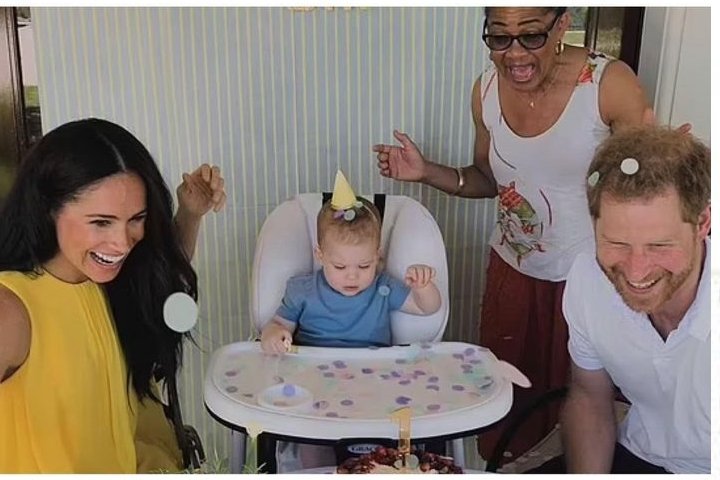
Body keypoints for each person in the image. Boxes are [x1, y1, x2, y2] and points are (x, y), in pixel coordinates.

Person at [372, 6, 651, 460]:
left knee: (586, 412)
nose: (514, 53)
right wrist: (425, 172)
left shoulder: (608, 87)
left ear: (562, 25)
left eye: (531, 35)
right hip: (514, 274)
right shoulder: (485, 90)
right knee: (510, 411)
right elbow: (488, 179)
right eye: (499, 37)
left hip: (591, 280)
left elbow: (645, 190)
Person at [0, 118, 226, 473]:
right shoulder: (13, 309)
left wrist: (190, 214)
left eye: (136, 218)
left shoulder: (102, 280)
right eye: (101, 222)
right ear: (48, 209)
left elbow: (159, 276)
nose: (122, 242)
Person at [539, 125, 710, 474]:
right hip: (641, 455)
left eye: (659, 246)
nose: (636, 271)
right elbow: (589, 396)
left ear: (703, 223)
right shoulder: (588, 279)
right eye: (616, 243)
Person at [259, 171, 441, 470]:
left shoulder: (383, 288)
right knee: (313, 438)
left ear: (377, 256)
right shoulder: (303, 290)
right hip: (315, 382)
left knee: (387, 443)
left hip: (374, 382)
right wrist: (274, 336)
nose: (352, 276)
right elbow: (278, 325)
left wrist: (424, 287)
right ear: (320, 255)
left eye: (364, 265)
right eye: (340, 266)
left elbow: (427, 308)